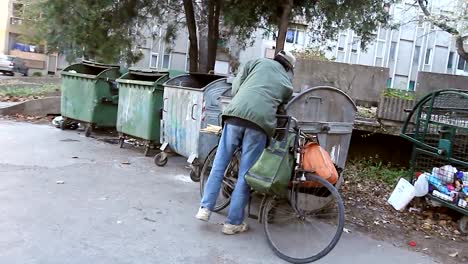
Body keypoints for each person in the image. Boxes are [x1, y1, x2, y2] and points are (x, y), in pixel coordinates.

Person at [195, 50, 296, 235]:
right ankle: (232, 223)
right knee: (245, 174)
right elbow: (281, 107)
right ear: (288, 67)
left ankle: (205, 208)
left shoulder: (257, 62)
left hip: (234, 115)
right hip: (259, 125)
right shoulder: (287, 85)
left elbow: (236, 87)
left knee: (219, 164)